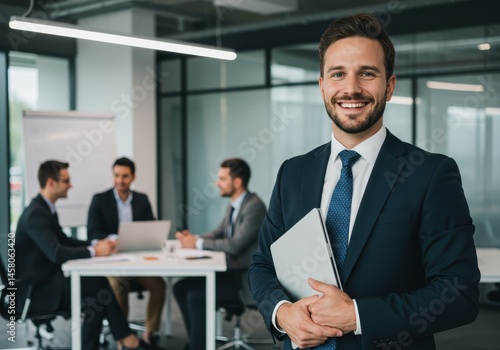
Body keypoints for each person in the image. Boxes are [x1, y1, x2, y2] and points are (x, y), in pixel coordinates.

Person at [248, 13, 480, 350]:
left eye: (367, 74)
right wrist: (283, 314)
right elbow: (262, 264)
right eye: (338, 74)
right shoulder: (293, 173)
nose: (351, 88)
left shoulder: (430, 174)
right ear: (322, 86)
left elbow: (458, 294)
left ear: (389, 86)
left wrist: (357, 315)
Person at [15, 160, 151, 350]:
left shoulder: (45, 209)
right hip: (36, 291)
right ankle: (128, 339)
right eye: (66, 180)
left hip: (46, 283)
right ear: (51, 182)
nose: (70, 185)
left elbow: (64, 239)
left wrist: (97, 245)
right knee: (97, 286)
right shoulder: (36, 214)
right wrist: (94, 251)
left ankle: (117, 341)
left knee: (94, 299)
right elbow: (56, 252)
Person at [174, 158, 267, 350]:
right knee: (180, 287)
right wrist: (193, 238)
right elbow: (218, 233)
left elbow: (234, 245)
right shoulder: (234, 204)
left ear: (237, 182)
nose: (217, 183)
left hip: (243, 280)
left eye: (222, 179)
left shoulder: (254, 207)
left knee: (194, 295)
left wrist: (197, 243)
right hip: (230, 272)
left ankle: (198, 346)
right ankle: (195, 342)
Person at [87, 157, 166, 346]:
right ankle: (124, 338)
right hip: (113, 262)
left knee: (159, 286)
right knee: (118, 285)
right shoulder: (100, 199)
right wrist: (114, 239)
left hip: (137, 262)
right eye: (116, 175)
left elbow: (151, 227)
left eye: (125, 176)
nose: (120, 180)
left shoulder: (141, 199)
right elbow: (92, 232)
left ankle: (149, 334)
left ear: (133, 177)